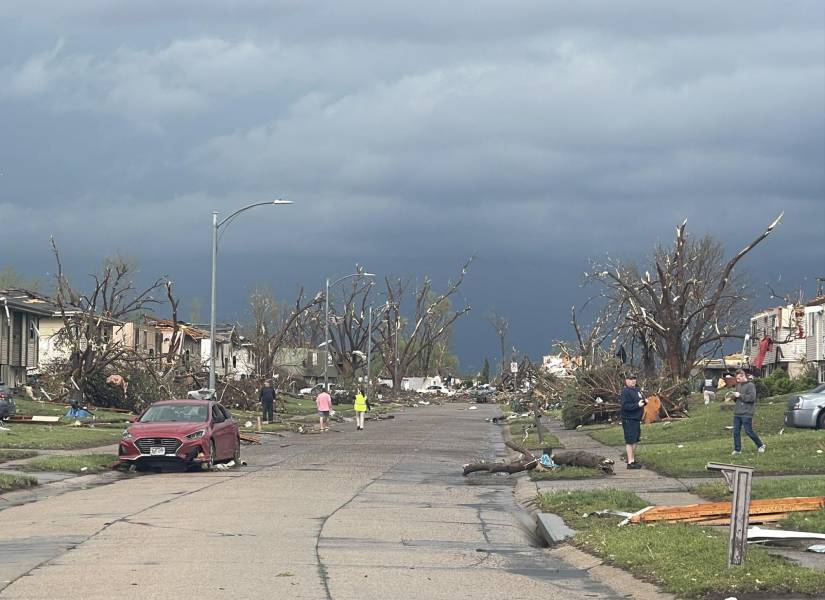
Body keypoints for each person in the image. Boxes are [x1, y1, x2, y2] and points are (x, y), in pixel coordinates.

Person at [731, 369, 766, 455]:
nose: (737, 380)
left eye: (738, 378)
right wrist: (734, 397)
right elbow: (739, 399)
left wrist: (740, 395)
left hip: (747, 412)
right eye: (737, 378)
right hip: (737, 412)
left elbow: (751, 398)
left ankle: (761, 445)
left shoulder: (750, 385)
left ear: (743, 376)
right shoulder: (738, 385)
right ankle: (737, 450)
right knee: (735, 432)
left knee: (748, 431)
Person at [620, 373, 646, 469]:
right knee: (630, 441)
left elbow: (640, 401)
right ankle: (630, 462)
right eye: (630, 379)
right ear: (626, 381)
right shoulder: (625, 392)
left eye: (634, 378)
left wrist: (644, 402)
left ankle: (632, 459)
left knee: (635, 440)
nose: (633, 380)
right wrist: (637, 406)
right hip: (628, 419)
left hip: (636, 418)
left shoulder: (637, 390)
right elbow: (625, 406)